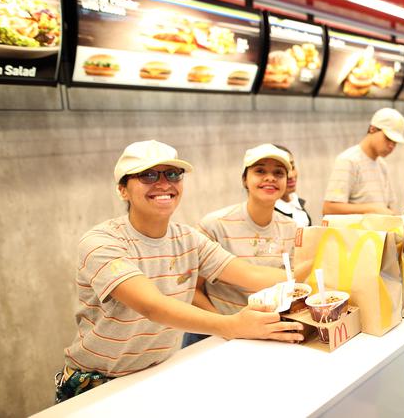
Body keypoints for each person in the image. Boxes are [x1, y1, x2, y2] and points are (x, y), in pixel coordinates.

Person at [57, 140, 310, 402]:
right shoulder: (101, 242)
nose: (164, 183)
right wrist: (232, 325)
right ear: (123, 189)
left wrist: (322, 262)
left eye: (173, 174)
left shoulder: (189, 238)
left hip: (160, 371)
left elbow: (251, 275)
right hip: (98, 385)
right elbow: (153, 307)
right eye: (149, 175)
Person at [183, 144, 299, 347]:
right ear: (245, 179)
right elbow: (192, 290)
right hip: (216, 337)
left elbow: (293, 286)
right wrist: (227, 326)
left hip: (267, 334)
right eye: (260, 171)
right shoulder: (215, 225)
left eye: (278, 173)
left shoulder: (291, 228)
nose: (270, 177)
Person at [323, 108, 404, 215]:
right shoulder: (349, 161)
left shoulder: (382, 165)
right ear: (372, 129)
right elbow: (329, 209)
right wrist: (371, 209)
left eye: (395, 142)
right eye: (388, 138)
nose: (392, 146)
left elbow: (388, 206)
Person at [274, 145, 312, 227]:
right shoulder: (268, 213)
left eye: (292, 167)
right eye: (279, 171)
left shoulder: (295, 202)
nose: (291, 175)